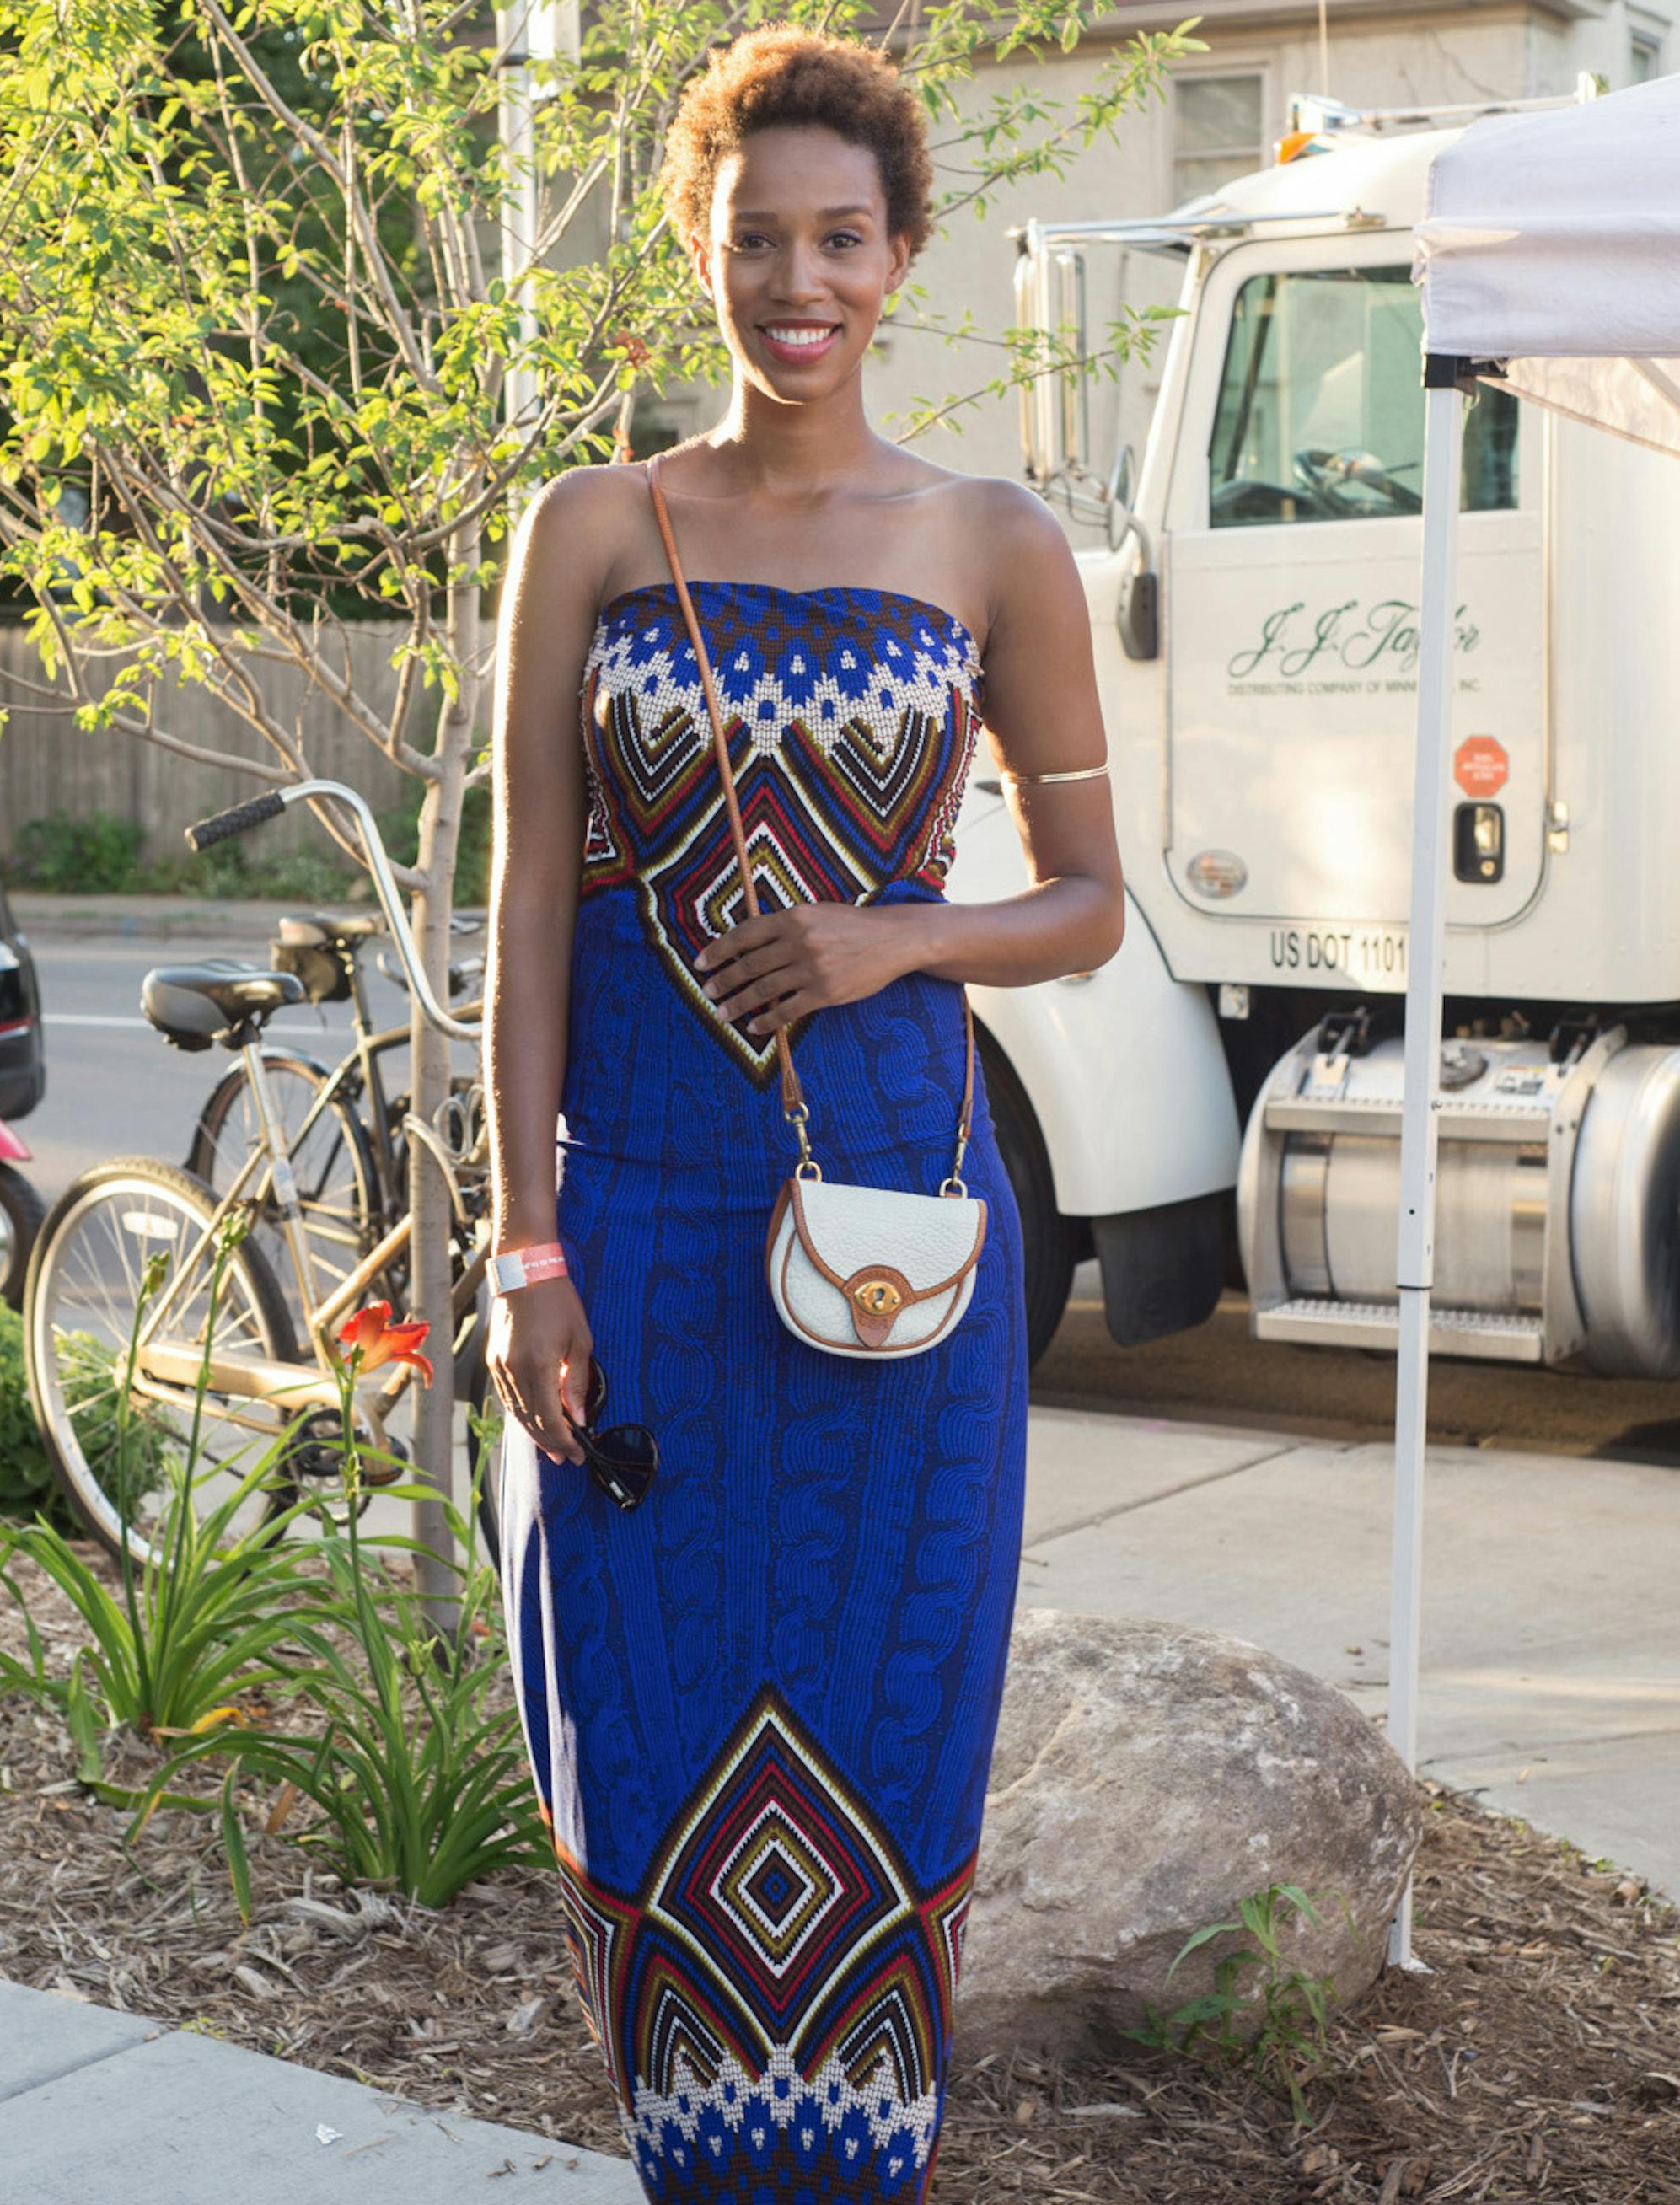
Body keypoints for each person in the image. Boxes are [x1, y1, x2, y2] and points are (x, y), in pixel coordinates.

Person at [484, 23, 1124, 2199]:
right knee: (650, 1803)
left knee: (881, 1796)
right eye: (758, 234)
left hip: (901, 1273)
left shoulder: (992, 541)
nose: (797, 279)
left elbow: (1091, 905)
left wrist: (892, 939)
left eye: (840, 237)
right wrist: (526, 1249)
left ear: (904, 249)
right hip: (643, 1262)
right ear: (701, 240)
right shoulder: (589, 530)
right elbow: (527, 926)